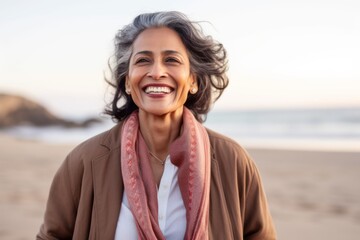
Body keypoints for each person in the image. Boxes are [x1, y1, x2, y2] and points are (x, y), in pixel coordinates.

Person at [37, 11, 276, 240]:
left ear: (193, 80)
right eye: (143, 60)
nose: (157, 72)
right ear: (128, 82)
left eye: (171, 60)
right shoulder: (84, 161)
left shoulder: (232, 160)